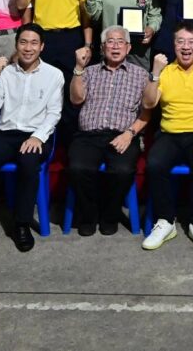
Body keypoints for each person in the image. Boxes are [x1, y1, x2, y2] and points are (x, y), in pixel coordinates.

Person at [0, 23, 64, 254]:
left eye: (34, 43)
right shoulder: (5, 72)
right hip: (5, 132)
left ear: (42, 47)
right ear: (16, 44)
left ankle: (21, 224)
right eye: (23, 42)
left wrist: (38, 137)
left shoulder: (54, 75)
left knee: (28, 163)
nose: (28, 48)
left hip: (36, 133)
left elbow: (54, 113)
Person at [141, 23, 193, 252]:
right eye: (180, 42)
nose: (186, 47)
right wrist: (155, 73)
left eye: (191, 42)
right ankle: (166, 221)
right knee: (155, 164)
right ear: (173, 45)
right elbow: (149, 103)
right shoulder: (165, 72)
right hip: (170, 133)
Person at [67, 26, 149, 235]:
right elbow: (76, 100)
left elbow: (147, 113)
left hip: (123, 134)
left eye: (120, 42)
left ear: (128, 47)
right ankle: (89, 214)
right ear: (102, 47)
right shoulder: (89, 71)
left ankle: (109, 213)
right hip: (88, 134)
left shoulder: (141, 75)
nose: (115, 46)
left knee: (122, 171)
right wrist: (78, 67)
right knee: (78, 168)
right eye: (110, 42)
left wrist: (130, 133)